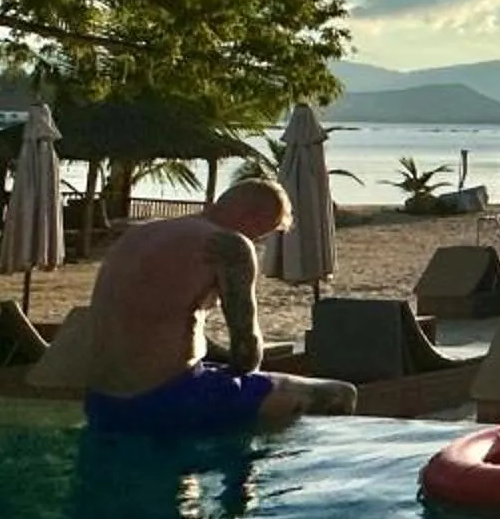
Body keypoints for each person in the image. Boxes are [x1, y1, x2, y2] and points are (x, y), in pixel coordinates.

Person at [82, 178, 355, 434]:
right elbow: (246, 353)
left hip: (102, 402)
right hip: (170, 399)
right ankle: (243, 478)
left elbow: (155, 323)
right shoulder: (230, 245)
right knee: (340, 394)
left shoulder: (140, 234)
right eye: (264, 233)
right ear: (255, 218)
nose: (258, 241)